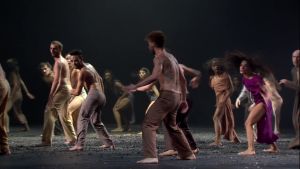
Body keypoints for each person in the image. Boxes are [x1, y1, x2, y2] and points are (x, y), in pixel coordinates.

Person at [124, 30, 196, 164]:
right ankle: (187, 153)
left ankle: (151, 155)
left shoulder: (159, 57)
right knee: (172, 126)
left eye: (148, 44)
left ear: (153, 43)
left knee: (148, 123)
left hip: (167, 95)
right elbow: (182, 80)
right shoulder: (172, 57)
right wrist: (183, 98)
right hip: (176, 96)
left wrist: (134, 86)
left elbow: (154, 76)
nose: (148, 47)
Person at [226, 50, 279, 155]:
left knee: (248, 123)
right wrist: (242, 100)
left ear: (250, 68)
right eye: (241, 66)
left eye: (245, 66)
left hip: (263, 103)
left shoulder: (256, 78)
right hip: (258, 103)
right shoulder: (244, 79)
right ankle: (274, 147)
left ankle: (251, 149)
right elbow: (248, 92)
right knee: (262, 126)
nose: (242, 68)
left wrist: (260, 104)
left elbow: (267, 93)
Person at [68, 50, 114, 151]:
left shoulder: (83, 71)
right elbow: (100, 79)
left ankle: (79, 145)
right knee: (96, 121)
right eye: (72, 61)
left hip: (94, 94)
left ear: (81, 59)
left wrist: (67, 90)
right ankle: (108, 143)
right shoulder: (89, 65)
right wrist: (101, 95)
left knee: (83, 117)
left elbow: (77, 92)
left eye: (76, 60)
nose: (74, 63)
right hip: (100, 95)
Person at [159, 64, 201, 156]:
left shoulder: (177, 67)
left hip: (182, 99)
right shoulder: (166, 69)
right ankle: (192, 148)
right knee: (181, 124)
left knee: (172, 123)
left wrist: (196, 79)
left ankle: (175, 149)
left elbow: (197, 73)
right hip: (179, 99)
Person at [38, 40, 75, 146]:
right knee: (64, 115)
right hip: (67, 89)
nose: (52, 50)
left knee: (49, 112)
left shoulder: (59, 62)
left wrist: (51, 95)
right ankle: (73, 139)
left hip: (62, 89)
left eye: (55, 48)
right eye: (50, 48)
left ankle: (46, 141)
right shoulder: (62, 61)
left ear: (60, 49)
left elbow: (57, 81)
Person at [207, 58, 240, 146]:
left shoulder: (225, 75)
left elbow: (231, 89)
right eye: (214, 65)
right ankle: (235, 138)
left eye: (218, 65)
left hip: (224, 100)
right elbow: (216, 89)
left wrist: (224, 99)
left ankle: (218, 141)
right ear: (212, 67)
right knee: (227, 119)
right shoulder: (213, 78)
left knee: (216, 118)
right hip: (220, 100)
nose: (216, 66)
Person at [4, 58, 35, 132]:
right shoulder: (16, 73)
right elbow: (22, 83)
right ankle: (26, 127)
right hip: (19, 95)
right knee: (18, 111)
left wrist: (10, 96)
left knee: (4, 111)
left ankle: (6, 129)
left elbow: (14, 85)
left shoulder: (12, 73)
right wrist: (27, 93)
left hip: (14, 95)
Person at [64, 53, 87, 144]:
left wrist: (69, 99)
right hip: (72, 95)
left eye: (70, 59)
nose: (68, 60)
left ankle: (71, 138)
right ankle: (74, 138)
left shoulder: (76, 71)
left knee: (67, 111)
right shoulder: (66, 72)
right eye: (67, 59)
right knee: (73, 117)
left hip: (80, 95)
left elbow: (76, 89)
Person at [279, 49, 300, 149]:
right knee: (295, 119)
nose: (296, 59)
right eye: (294, 57)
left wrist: (288, 83)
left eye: (298, 57)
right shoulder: (293, 70)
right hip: (298, 97)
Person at [39, 62, 63, 136]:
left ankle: (51, 132)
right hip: (54, 96)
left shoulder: (53, 76)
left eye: (45, 69)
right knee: (52, 113)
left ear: (50, 68)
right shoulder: (44, 76)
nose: (43, 71)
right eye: (42, 69)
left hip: (60, 95)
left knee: (51, 113)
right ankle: (56, 131)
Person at [0, 63, 11, 155]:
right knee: (1, 116)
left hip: (1, 86)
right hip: (4, 85)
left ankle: (4, 146)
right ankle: (4, 147)